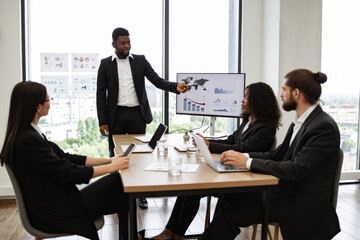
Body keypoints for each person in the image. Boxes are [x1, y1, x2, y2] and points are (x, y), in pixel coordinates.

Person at [198, 69, 341, 240]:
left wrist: (248, 163)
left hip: (300, 203)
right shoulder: (301, 122)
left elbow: (296, 169)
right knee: (227, 197)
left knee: (228, 213)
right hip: (285, 194)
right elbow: (276, 155)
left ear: (296, 93)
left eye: (283, 89)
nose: (280, 95)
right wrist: (243, 159)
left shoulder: (322, 127)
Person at [148, 82, 281, 240]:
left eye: (246, 97)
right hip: (233, 174)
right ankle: (172, 233)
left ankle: (175, 234)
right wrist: (207, 141)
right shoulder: (248, 121)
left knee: (194, 190)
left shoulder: (266, 128)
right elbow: (231, 140)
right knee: (191, 189)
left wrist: (210, 145)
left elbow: (241, 148)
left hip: (245, 182)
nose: (242, 101)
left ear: (257, 101)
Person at [0, 82, 130, 240]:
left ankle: (131, 236)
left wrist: (108, 161)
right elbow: (68, 172)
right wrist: (111, 168)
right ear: (38, 107)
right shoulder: (28, 141)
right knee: (116, 180)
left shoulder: (29, 134)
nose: (50, 103)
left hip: (55, 203)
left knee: (124, 199)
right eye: (48, 100)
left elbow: (67, 158)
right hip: (54, 212)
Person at [96, 27, 189, 209]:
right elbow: (100, 94)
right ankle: (117, 194)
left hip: (137, 114)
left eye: (129, 42)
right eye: (123, 43)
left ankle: (140, 194)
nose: (127, 46)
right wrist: (102, 120)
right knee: (116, 154)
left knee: (139, 155)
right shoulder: (105, 64)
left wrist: (174, 86)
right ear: (114, 44)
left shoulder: (140, 60)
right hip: (115, 115)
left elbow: (157, 80)